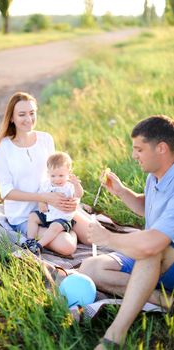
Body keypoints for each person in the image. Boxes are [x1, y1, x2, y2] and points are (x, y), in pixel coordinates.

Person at [79, 115, 174, 349]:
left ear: (161, 148)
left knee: (149, 250)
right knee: (89, 267)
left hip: (163, 255)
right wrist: (122, 192)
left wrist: (109, 237)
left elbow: (152, 244)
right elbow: (146, 207)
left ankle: (114, 335)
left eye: (139, 149)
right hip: (156, 257)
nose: (134, 156)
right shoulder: (155, 177)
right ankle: (166, 301)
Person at [0, 91, 90, 256]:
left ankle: (69, 225)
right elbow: (6, 192)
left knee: (92, 237)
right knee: (67, 246)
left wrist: (72, 201)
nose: (29, 119)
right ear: (11, 118)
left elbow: (57, 175)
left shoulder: (46, 139)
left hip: (55, 207)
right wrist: (43, 198)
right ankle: (69, 232)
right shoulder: (1, 146)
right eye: (22, 114)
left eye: (32, 113)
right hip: (25, 216)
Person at [25, 151, 84, 254]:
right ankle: (30, 240)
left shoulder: (69, 186)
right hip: (47, 214)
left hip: (62, 218)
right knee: (32, 216)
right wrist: (42, 202)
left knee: (55, 227)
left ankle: (39, 245)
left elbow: (79, 194)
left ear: (69, 173)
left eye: (61, 175)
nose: (57, 179)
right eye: (53, 176)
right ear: (48, 174)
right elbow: (41, 195)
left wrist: (77, 185)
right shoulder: (46, 184)